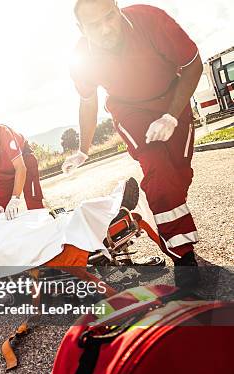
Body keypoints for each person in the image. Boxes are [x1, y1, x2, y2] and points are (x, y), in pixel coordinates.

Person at [63, 0, 203, 287]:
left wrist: (171, 116)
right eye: (94, 25)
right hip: (129, 111)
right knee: (158, 168)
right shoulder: (82, 57)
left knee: (179, 176)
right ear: (81, 29)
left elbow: (193, 65)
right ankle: (184, 256)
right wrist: (83, 149)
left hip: (172, 98)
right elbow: (88, 102)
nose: (106, 29)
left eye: (109, 17)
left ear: (117, 7)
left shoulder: (151, 20)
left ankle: (162, 208)